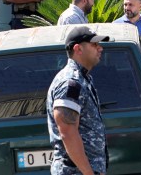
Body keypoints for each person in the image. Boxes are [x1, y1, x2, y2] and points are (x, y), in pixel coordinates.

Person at [47, 26, 112, 175]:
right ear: (78, 49)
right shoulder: (71, 83)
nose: (100, 48)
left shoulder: (83, 79)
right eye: (94, 44)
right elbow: (68, 133)